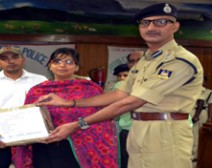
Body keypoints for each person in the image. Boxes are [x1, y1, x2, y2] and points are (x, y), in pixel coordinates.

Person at [36, 3, 203, 168]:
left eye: (160, 22)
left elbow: (132, 101)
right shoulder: (145, 60)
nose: (151, 27)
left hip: (166, 133)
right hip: (138, 130)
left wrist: (78, 124)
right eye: (145, 23)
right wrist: (70, 102)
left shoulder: (179, 61)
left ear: (175, 26)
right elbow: (119, 94)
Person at [12, 48, 118, 168]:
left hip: (80, 146)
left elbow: (100, 121)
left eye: (68, 62)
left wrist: (77, 127)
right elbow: (26, 119)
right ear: (50, 66)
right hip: (44, 146)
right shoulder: (37, 90)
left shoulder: (90, 89)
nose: (62, 65)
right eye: (57, 61)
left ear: (77, 67)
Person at [0, 46, 47, 168]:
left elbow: (48, 107)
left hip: (34, 137)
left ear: (23, 60)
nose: (10, 61)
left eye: (15, 57)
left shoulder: (40, 80)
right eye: (4, 58)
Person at [191, 76, 212, 167]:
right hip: (192, 111)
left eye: (204, 80)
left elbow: (210, 106)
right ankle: (193, 158)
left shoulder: (209, 92)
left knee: (198, 134)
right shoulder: (194, 89)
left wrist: (210, 119)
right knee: (193, 134)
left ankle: (195, 158)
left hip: (203, 112)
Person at [112, 64, 130, 168]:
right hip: (125, 130)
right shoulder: (118, 86)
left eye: (125, 75)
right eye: (119, 76)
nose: (122, 78)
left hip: (129, 130)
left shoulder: (119, 87)